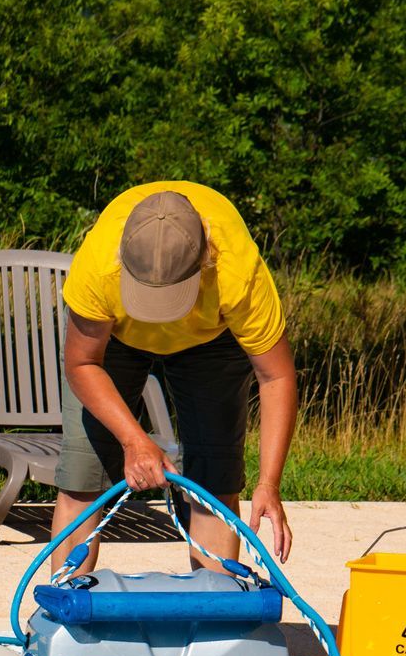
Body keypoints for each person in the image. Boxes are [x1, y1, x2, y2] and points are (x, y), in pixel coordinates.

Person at [53, 180, 297, 572]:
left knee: (214, 487)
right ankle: (65, 615)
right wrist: (134, 440)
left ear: (206, 261)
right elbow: (82, 363)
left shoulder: (237, 270)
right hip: (114, 339)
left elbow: (276, 377)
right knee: (83, 476)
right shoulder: (97, 265)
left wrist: (269, 482)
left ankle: (211, 618)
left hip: (211, 339)